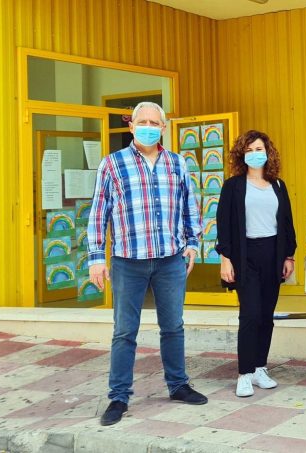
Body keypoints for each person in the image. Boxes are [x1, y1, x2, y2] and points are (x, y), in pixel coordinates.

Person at [87, 102, 208, 426]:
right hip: (128, 261)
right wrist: (96, 258)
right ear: (131, 126)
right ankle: (119, 397)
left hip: (170, 260)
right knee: (125, 332)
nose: (149, 127)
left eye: (155, 123)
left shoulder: (177, 163)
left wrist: (192, 243)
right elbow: (98, 213)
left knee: (173, 327)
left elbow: (190, 206)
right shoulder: (112, 164)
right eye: (143, 122)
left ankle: (178, 385)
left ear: (164, 128)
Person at [217, 130, 297, 397]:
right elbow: (223, 225)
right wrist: (225, 259)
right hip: (245, 255)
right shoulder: (233, 186)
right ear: (242, 155)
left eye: (259, 149)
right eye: (249, 150)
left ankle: (260, 368)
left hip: (273, 254)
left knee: (266, 315)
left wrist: (289, 255)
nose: (254, 154)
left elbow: (287, 222)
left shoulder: (278, 185)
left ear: (268, 152)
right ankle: (245, 373)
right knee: (250, 314)